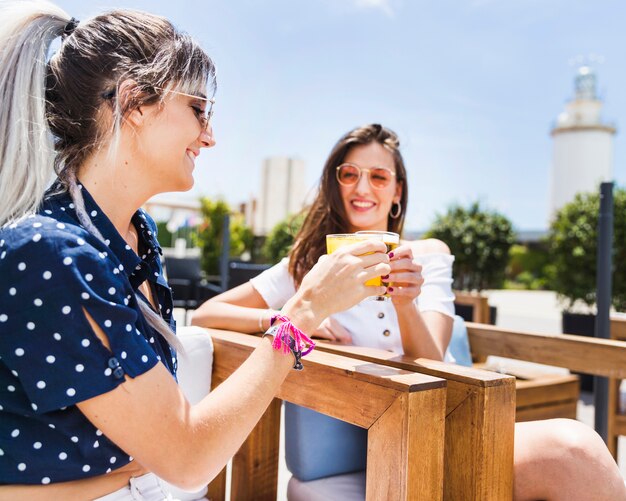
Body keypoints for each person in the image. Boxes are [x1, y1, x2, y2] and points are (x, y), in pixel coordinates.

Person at [0, 3, 393, 499]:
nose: (210, 136)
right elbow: (187, 458)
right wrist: (306, 310)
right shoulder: (51, 255)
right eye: (198, 109)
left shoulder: (132, 237)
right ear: (136, 102)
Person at [192, 124, 626, 501]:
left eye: (379, 176)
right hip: (386, 433)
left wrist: (405, 302)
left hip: (459, 416)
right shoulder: (308, 269)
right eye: (350, 174)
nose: (363, 189)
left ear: (397, 191)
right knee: (575, 450)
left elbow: (435, 361)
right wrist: (297, 316)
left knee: (576, 450)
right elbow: (208, 314)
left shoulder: (428, 255)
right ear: (335, 183)